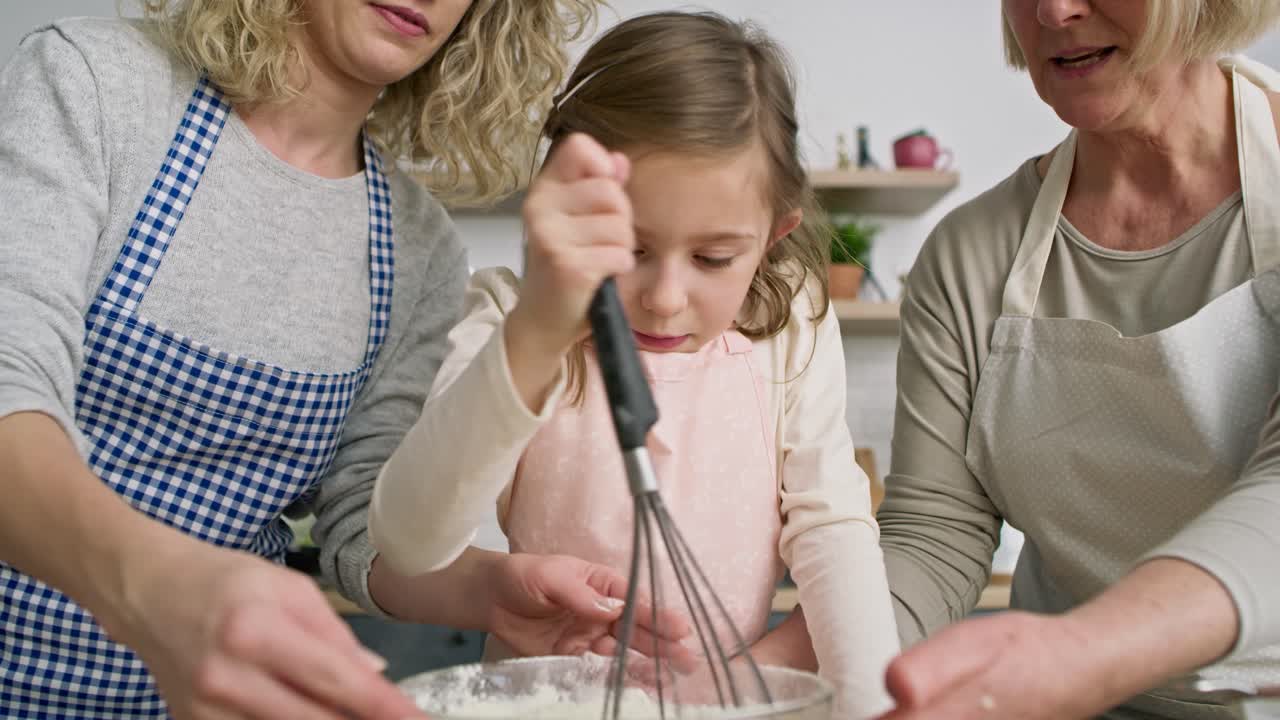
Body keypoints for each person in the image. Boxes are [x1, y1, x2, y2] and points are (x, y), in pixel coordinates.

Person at [0, 1, 689, 717]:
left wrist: (494, 593)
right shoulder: (99, 84)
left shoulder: (417, 247)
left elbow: (360, 534)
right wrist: (157, 586)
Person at [368, 11, 902, 719]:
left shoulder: (791, 325)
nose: (664, 298)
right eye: (630, 246)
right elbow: (411, 541)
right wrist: (538, 330)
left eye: (714, 258)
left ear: (776, 237)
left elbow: (833, 528)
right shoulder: (509, 319)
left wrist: (882, 708)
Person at [868, 1, 1280, 718]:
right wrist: (809, 676)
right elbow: (937, 531)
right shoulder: (971, 255)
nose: (1054, 9)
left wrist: (1084, 655)